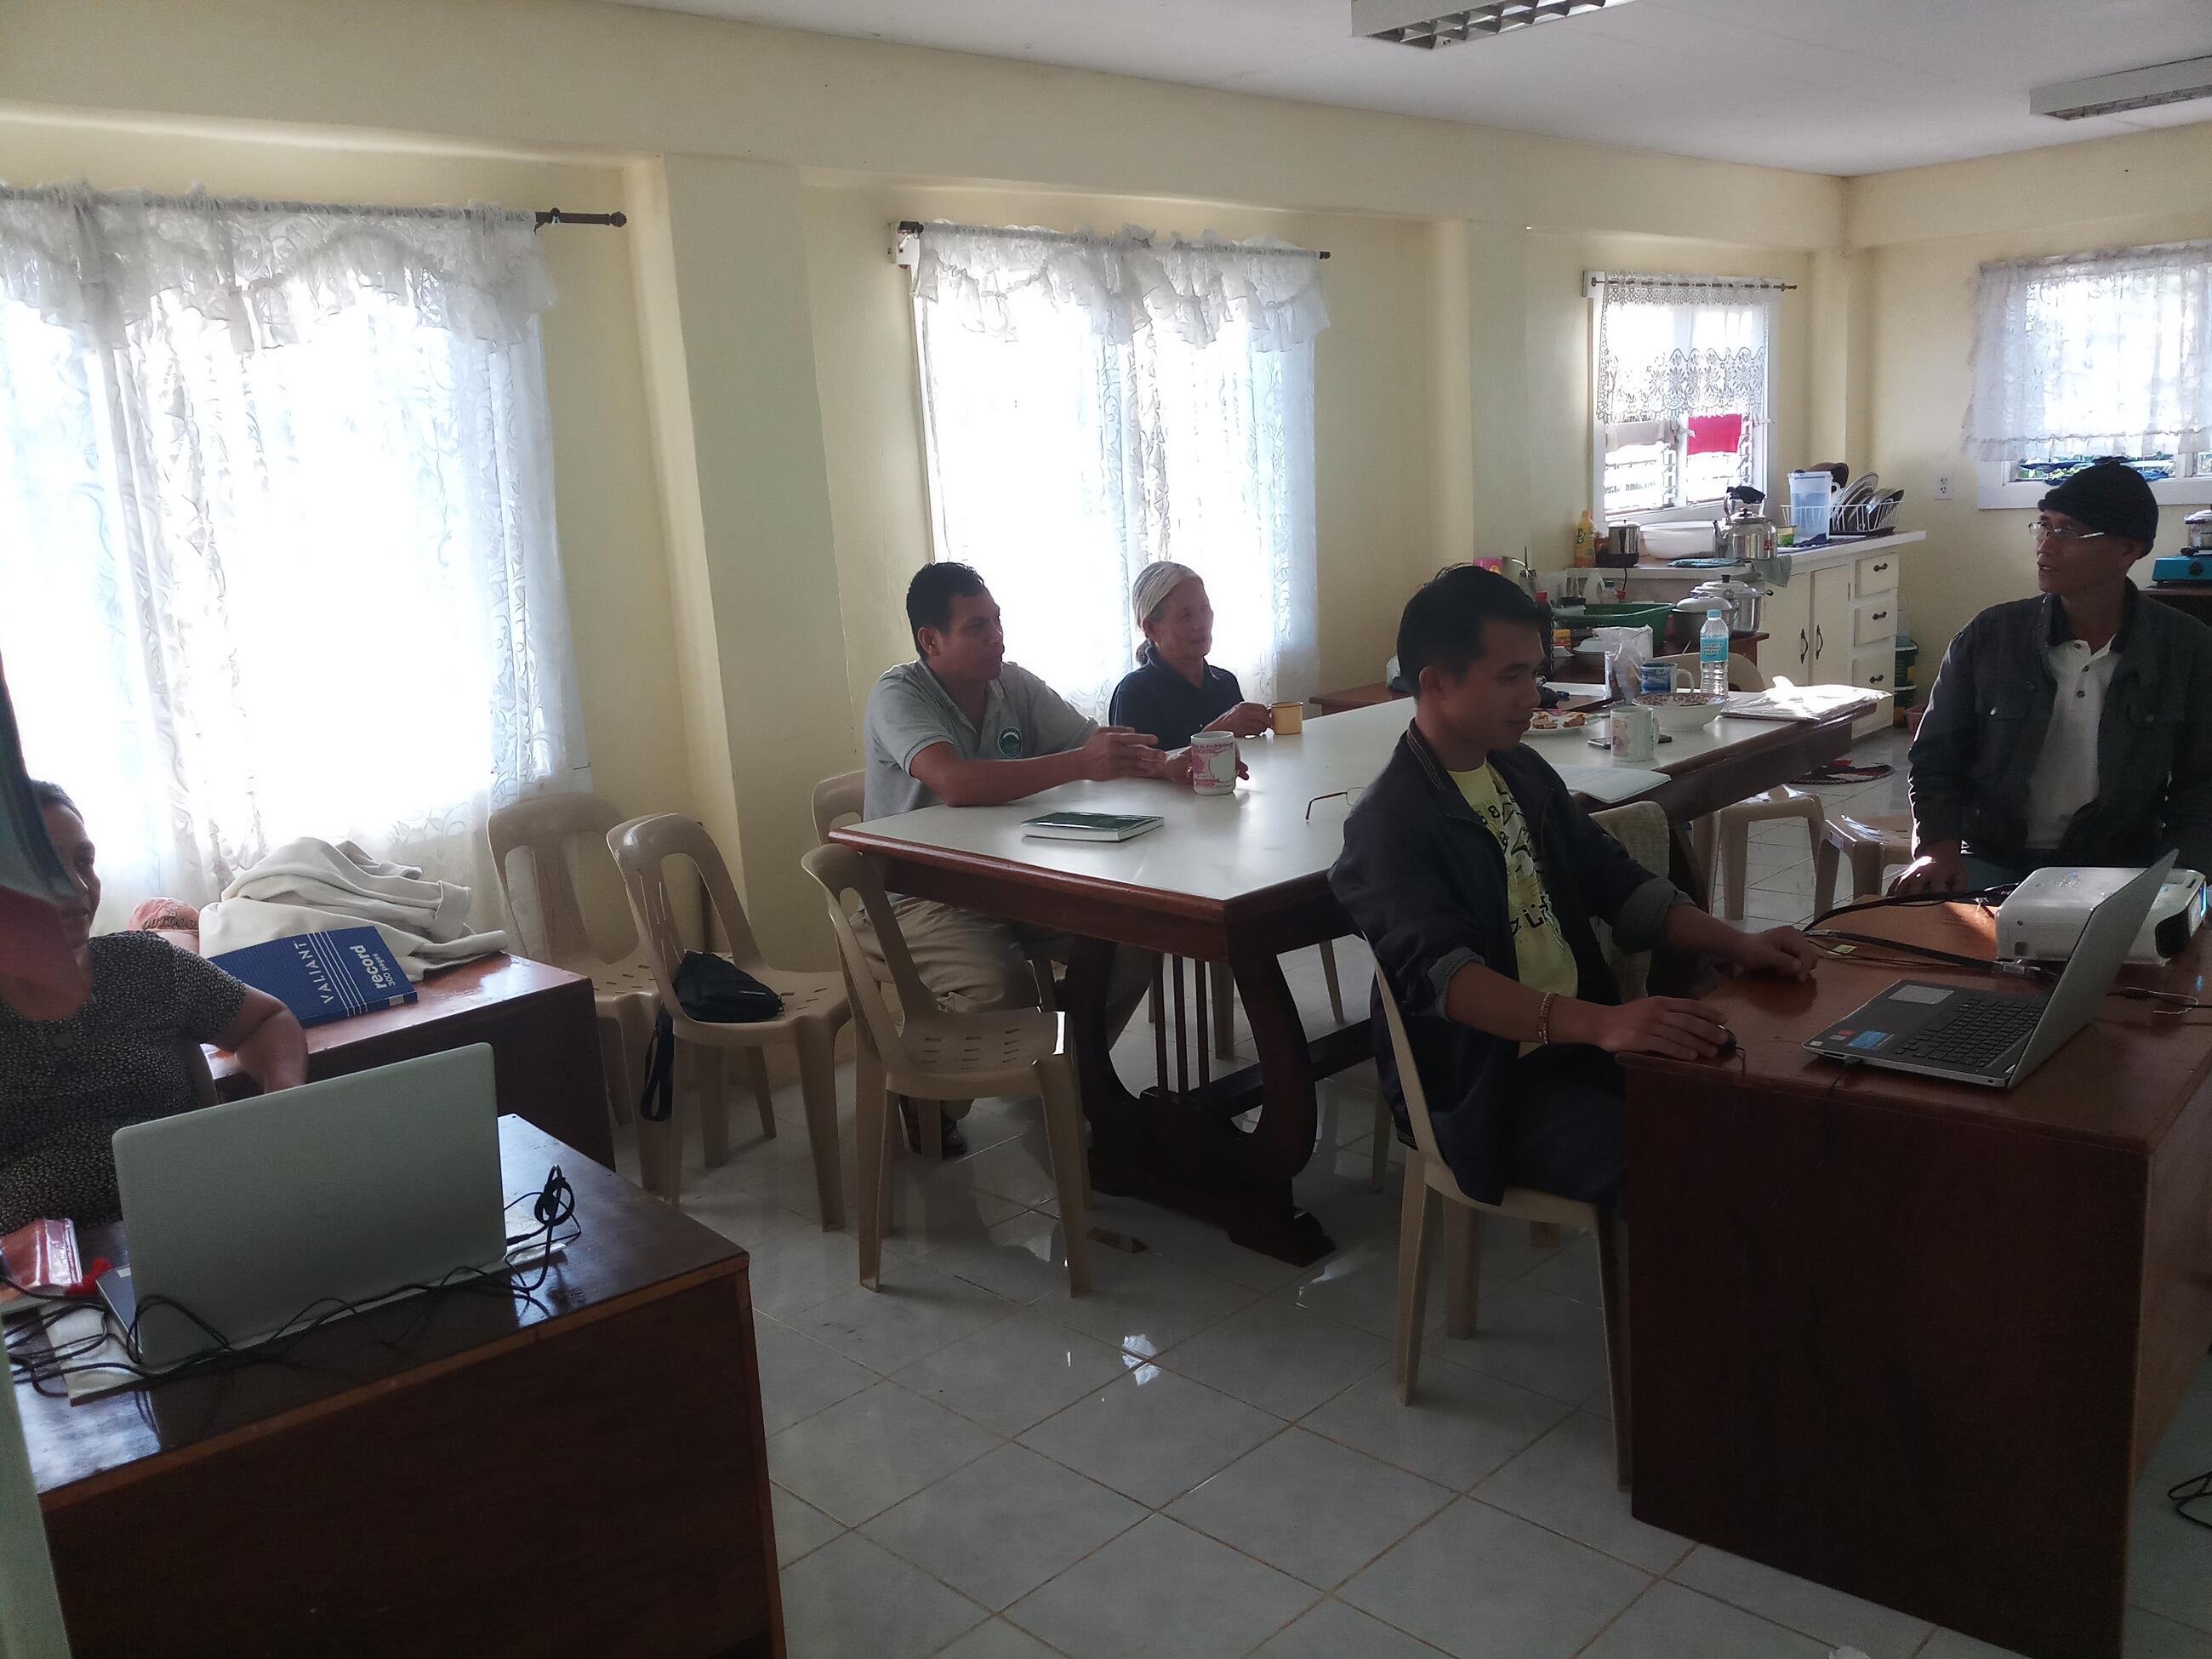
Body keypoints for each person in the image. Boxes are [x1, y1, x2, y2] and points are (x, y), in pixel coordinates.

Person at [1330, 567, 1817, 1209]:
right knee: (1688, 1166)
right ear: (1437, 683)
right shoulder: (1389, 825)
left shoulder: (1520, 771)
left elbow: (1616, 884)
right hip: (1490, 1089)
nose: (1532, 695)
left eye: (1534, 673)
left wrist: (1739, 945)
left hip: (1580, 1048)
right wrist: (1605, 1025)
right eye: (1510, 677)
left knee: (1779, 1107)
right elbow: (1450, 981)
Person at [859, 563, 1161, 1154]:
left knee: (1131, 944)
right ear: (930, 640)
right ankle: (929, 1105)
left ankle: (1068, 1072)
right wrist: (1080, 764)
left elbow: (1093, 743)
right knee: (999, 985)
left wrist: (1166, 764)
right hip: (919, 896)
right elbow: (956, 783)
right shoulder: (898, 695)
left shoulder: (1013, 686)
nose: (997, 637)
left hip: (1012, 882)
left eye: (997, 621)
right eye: (977, 627)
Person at [0, 782, 308, 1234]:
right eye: (45, 867)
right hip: (35, 1270)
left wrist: (284, 1098)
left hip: (198, 1226)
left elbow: (266, 1020)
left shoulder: (142, 964)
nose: (78, 888)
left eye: (84, 862)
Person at [1899, 459, 2212, 895]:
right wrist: (1937, 848)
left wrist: (2182, 879)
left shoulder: (2186, 649)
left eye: (2067, 532)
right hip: (1992, 855)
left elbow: (2202, 784)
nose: (2045, 546)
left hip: (2116, 866)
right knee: (1914, 926)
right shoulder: (1990, 636)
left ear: (2127, 551)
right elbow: (1936, 757)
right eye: (2044, 526)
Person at [1109, 562, 1274, 751]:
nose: (1200, 623)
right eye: (1185, 616)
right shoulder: (1135, 694)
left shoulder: (1225, 682)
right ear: (1151, 629)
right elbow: (1140, 768)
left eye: (1204, 608)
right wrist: (1215, 735)